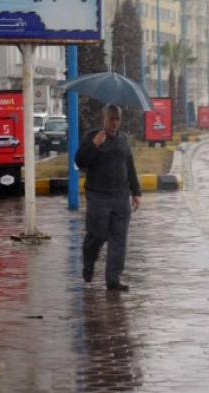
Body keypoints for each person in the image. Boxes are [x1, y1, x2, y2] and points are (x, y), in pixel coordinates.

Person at [75, 104, 142, 291]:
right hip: (98, 196)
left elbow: (130, 166)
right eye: (111, 118)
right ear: (103, 119)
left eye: (118, 119)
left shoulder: (123, 140)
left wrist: (136, 192)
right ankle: (88, 263)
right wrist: (94, 145)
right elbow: (79, 161)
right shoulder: (92, 137)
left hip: (121, 196)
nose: (115, 123)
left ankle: (113, 280)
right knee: (97, 235)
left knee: (119, 239)